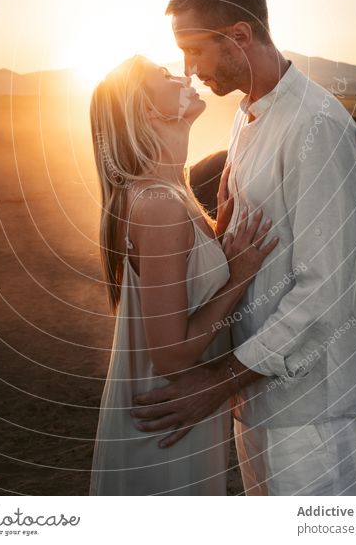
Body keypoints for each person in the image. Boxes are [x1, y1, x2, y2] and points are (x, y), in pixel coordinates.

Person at [129, 0, 356, 496]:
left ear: (239, 36)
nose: (188, 70)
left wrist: (217, 382)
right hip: (253, 402)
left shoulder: (317, 127)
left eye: (194, 51)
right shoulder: (246, 114)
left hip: (311, 409)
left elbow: (325, 289)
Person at [88, 54, 279, 495]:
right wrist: (239, 277)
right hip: (165, 424)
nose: (186, 73)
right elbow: (171, 355)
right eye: (165, 74)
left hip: (177, 416)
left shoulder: (172, 191)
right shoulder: (158, 204)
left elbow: (182, 281)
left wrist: (217, 234)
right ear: (145, 108)